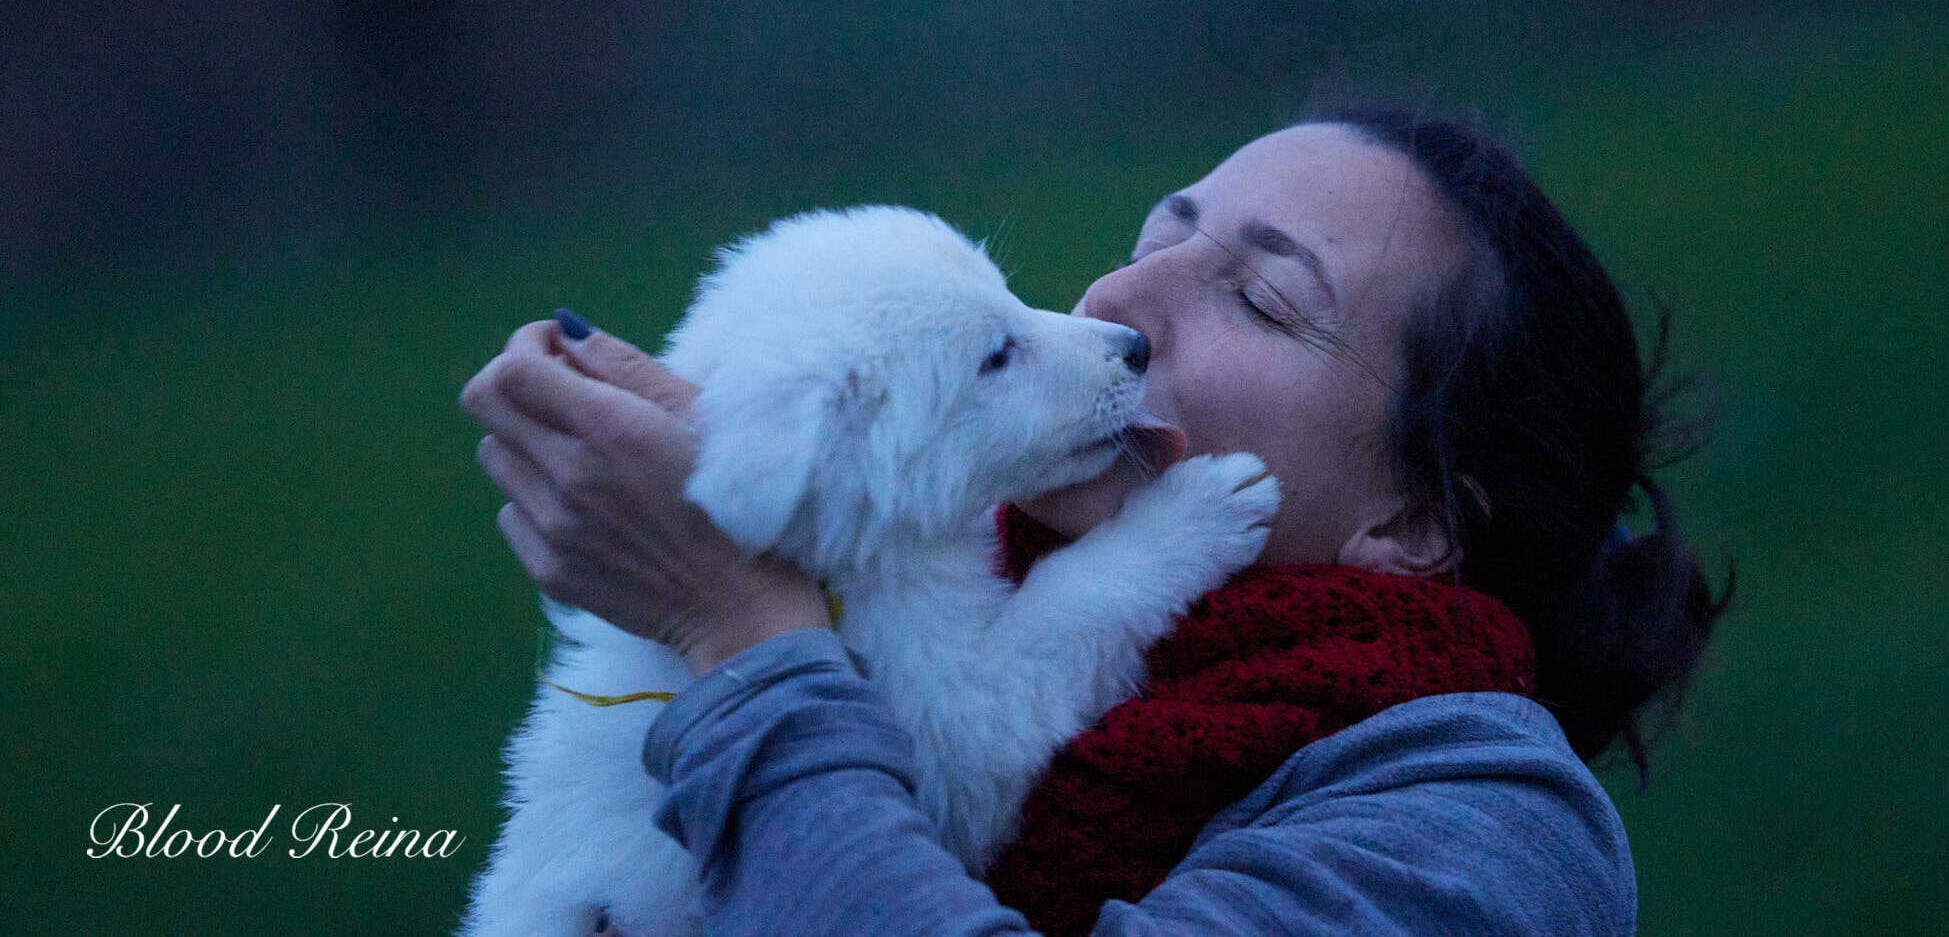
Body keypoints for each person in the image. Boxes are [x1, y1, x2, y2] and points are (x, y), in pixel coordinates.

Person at [461, 105, 1727, 934]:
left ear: (1414, 525)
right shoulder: (925, 567)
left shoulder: (1478, 831)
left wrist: (735, 628)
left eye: (1263, 301)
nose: (1119, 297)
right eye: (1153, 234)